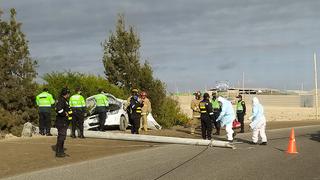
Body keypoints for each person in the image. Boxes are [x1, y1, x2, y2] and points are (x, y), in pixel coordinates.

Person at [55, 88, 71, 158]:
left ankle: (61, 151)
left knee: (62, 137)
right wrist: (65, 114)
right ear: (66, 94)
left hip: (64, 121)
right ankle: (58, 152)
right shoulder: (61, 100)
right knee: (61, 137)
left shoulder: (64, 100)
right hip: (61, 121)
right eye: (68, 93)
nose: (69, 95)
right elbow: (59, 109)